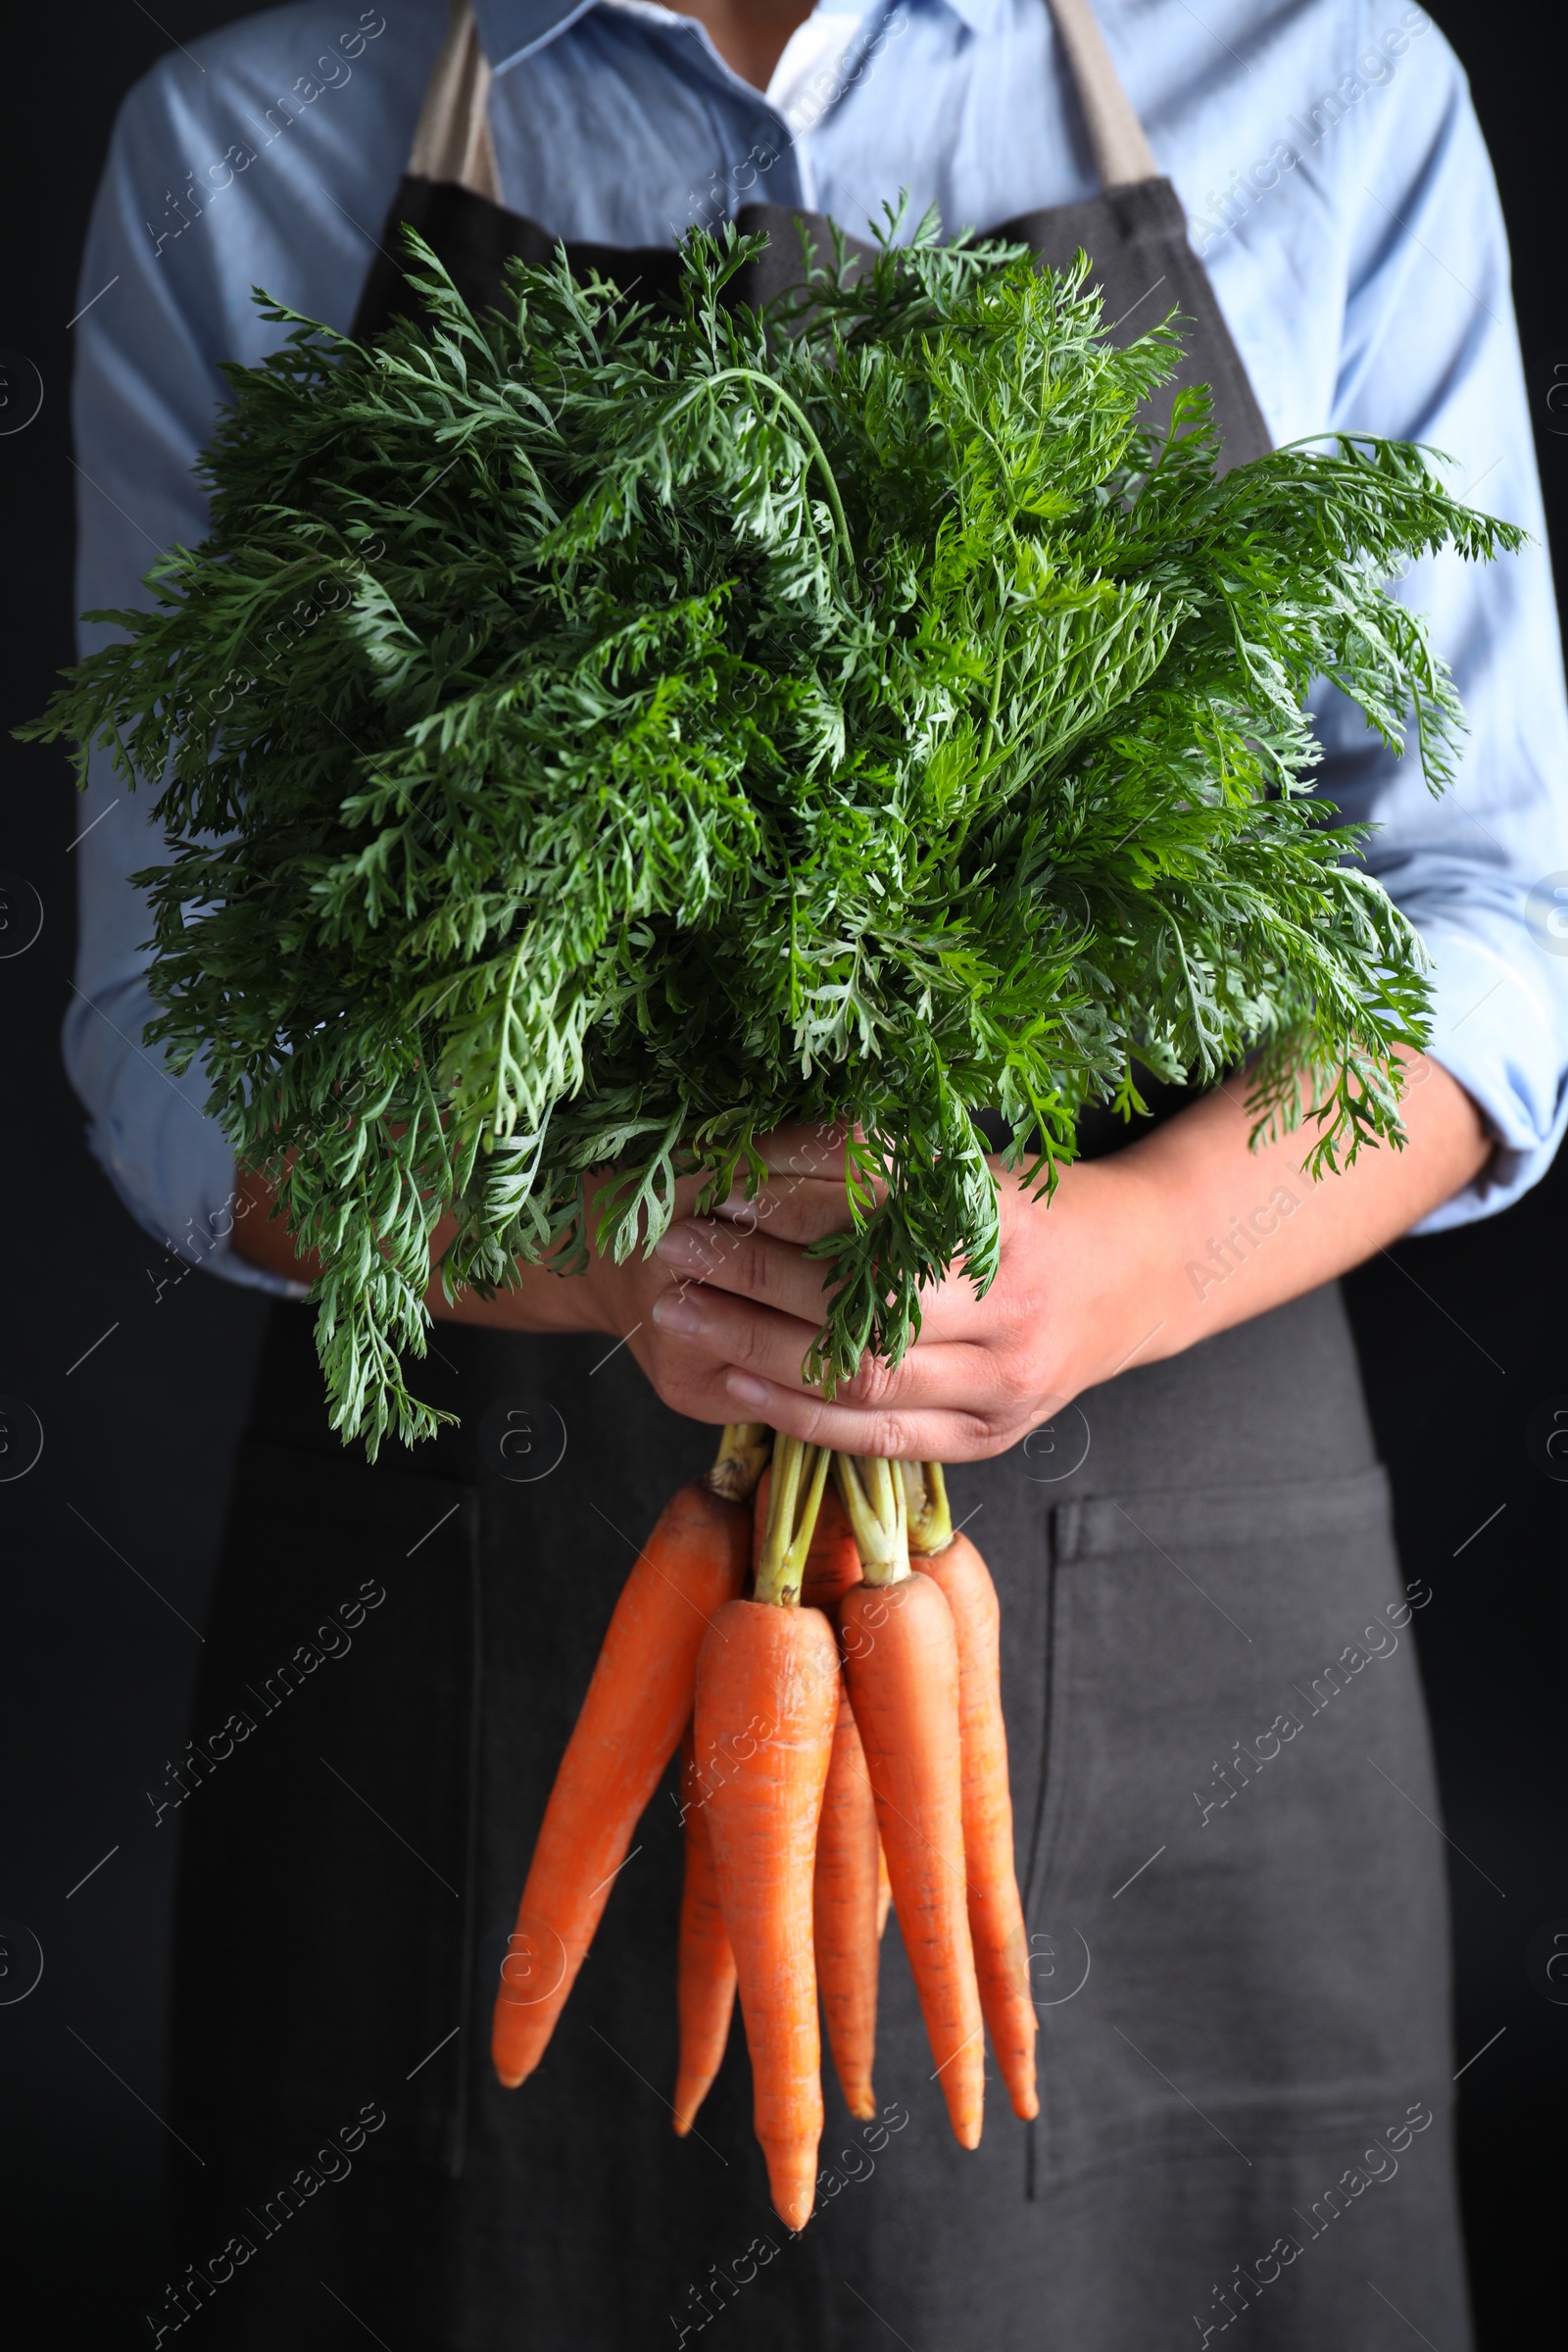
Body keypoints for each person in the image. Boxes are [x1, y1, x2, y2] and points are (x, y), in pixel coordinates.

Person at [70, 2, 1567, 2346]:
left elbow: (1490, 928)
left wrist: (1130, 1253)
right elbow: (179, 1045)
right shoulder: (248, 143)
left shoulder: (1328, 74)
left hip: (1187, 1557)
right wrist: (604, 1256)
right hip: (478, 1600)